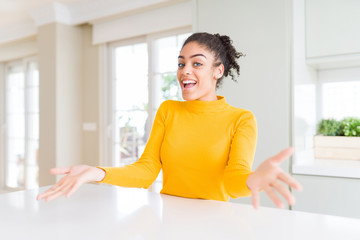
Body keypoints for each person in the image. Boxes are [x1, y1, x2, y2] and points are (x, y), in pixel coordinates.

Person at [37, 32, 302, 209]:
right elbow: (146, 170)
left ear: (217, 71)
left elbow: (234, 179)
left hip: (216, 221)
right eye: (181, 63)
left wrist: (253, 180)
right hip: (167, 217)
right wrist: (97, 172)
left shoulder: (241, 119)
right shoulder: (168, 110)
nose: (185, 70)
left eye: (197, 64)